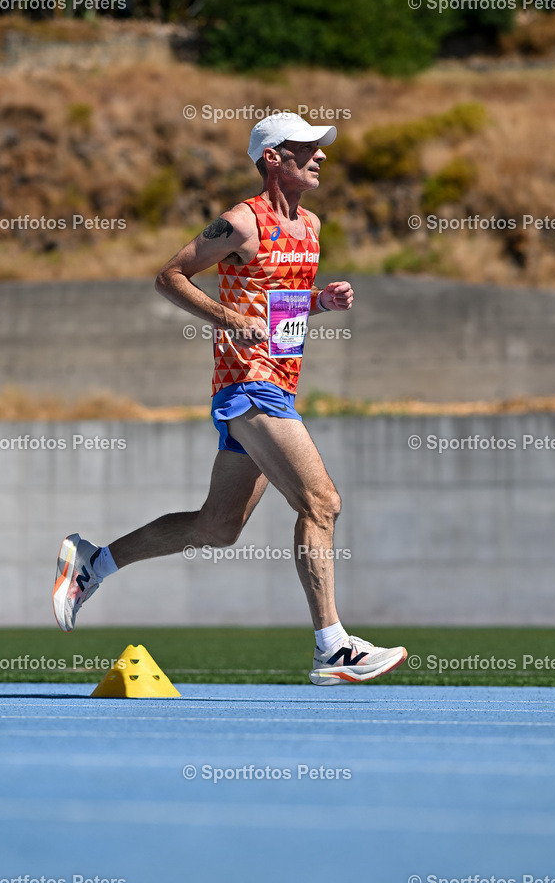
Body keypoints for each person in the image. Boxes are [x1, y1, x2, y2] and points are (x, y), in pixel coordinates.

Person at [53, 112, 407, 685]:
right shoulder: (242, 222)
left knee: (218, 527)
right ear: (273, 158)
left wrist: (319, 303)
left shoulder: (311, 226)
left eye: (320, 148)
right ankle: (332, 647)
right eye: (307, 148)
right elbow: (170, 276)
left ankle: (94, 563)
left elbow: (279, 304)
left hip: (279, 384)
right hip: (248, 385)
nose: (320, 156)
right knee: (322, 502)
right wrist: (225, 316)